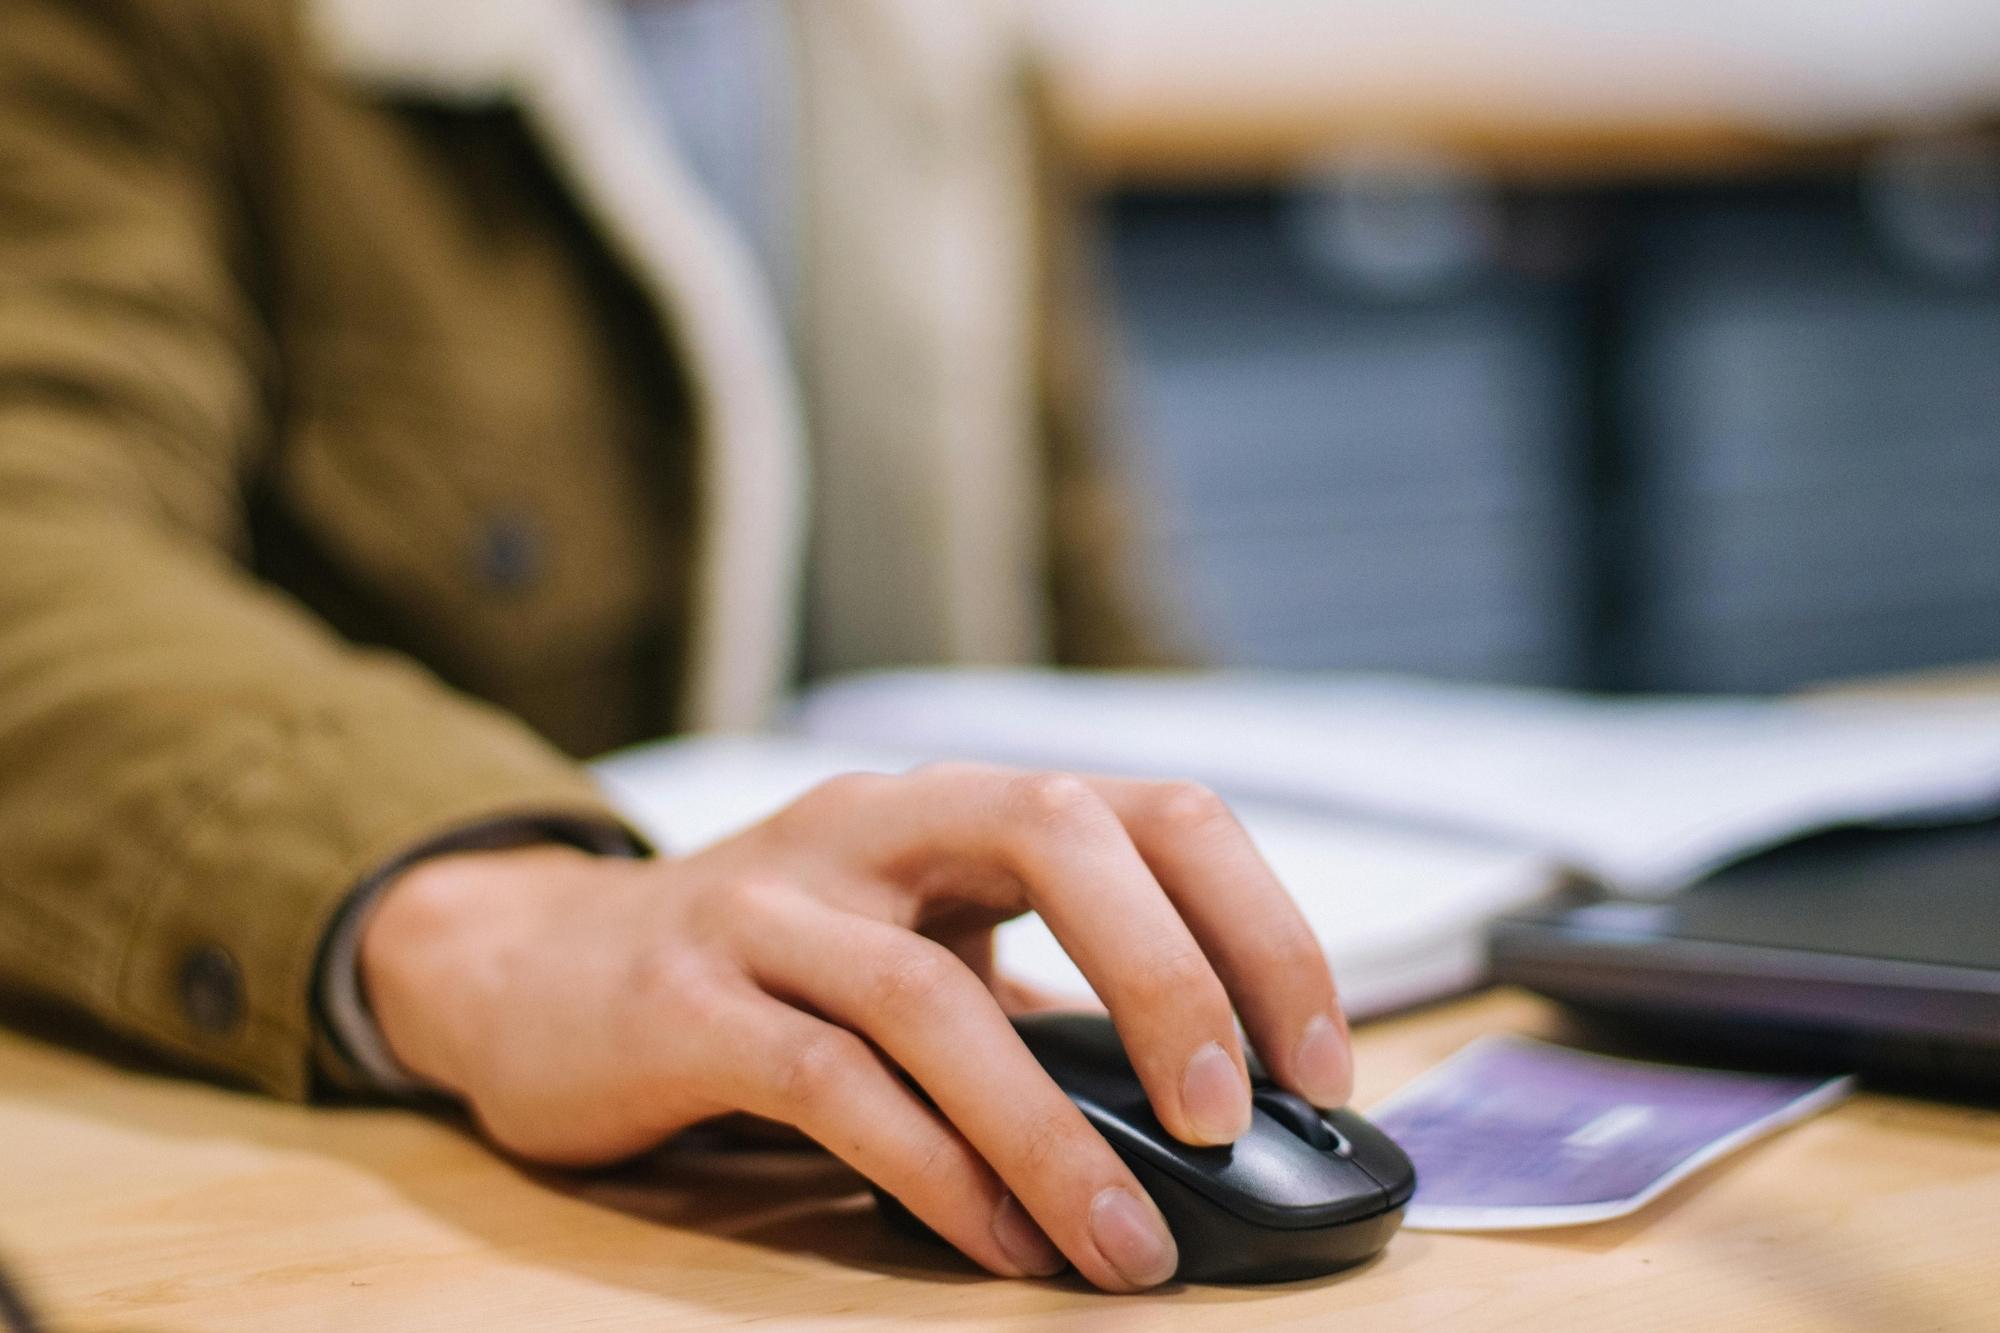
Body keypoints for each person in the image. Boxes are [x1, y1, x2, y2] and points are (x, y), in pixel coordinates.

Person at [0, 0, 1352, 1293]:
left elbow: (1084, 609)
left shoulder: (946, 53)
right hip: (446, 1181)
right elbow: (34, 542)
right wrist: (513, 928)